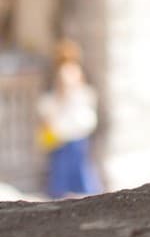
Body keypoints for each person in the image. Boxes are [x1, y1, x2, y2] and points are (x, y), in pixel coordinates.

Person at [36, 39, 102, 199]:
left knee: (67, 167)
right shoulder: (76, 71)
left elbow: (62, 97)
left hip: (66, 129)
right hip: (73, 128)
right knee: (77, 165)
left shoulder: (66, 72)